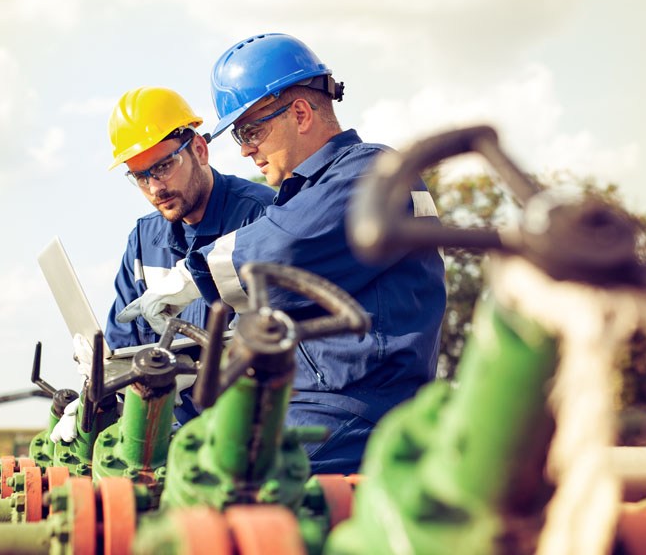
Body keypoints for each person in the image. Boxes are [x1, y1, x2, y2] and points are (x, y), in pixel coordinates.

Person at [118, 35, 446, 473]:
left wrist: (189, 278)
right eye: (239, 134)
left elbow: (283, 246)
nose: (244, 149)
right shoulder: (312, 191)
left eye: (252, 130)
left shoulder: (370, 173)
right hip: (320, 402)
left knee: (222, 486)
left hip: (359, 406)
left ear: (301, 113)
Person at [52, 87, 275, 442]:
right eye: (141, 177)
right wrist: (96, 393)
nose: (155, 187)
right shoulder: (143, 242)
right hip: (171, 434)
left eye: (164, 167)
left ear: (200, 150)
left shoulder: (262, 216)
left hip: (248, 431)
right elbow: (123, 347)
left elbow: (276, 342)